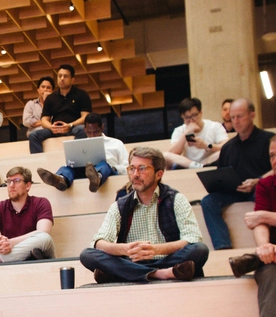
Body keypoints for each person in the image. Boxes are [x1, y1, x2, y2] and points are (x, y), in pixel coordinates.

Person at [80, 146, 209, 284]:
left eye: (142, 168)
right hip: (132, 261)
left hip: (167, 260)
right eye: (132, 168)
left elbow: (192, 238)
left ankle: (126, 274)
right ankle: (159, 274)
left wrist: (156, 249)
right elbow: (99, 242)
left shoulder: (176, 199)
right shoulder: (120, 205)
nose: (135, 174)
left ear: (158, 174)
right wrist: (125, 249)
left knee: (199, 250)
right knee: (87, 255)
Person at [200, 99, 275, 250]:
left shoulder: (268, 140)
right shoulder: (228, 147)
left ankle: (267, 243)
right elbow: (221, 173)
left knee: (264, 197)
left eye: (240, 116)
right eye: (232, 117)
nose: (236, 121)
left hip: (260, 188)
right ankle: (222, 246)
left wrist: (257, 181)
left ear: (252, 115)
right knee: (208, 201)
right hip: (234, 191)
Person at [228, 138, 276, 317]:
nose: (274, 161)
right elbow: (258, 224)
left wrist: (266, 216)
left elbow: (260, 217)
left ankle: (253, 259)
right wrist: (265, 246)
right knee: (269, 272)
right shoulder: (266, 185)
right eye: (272, 156)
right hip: (272, 255)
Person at [36, 112, 127, 192]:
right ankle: (60, 179)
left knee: (104, 165)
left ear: (102, 127)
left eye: (96, 132)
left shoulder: (116, 143)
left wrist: (113, 168)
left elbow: (127, 167)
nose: (92, 135)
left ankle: (97, 177)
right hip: (84, 173)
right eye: (89, 132)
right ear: (84, 129)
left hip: (107, 173)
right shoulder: (79, 145)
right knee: (67, 167)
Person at [0, 167, 56, 263]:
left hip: (35, 248)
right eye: (8, 181)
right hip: (12, 249)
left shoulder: (41, 202)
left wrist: (12, 242)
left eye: (16, 181)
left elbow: (43, 231)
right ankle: (23, 257)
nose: (11, 185)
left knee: (44, 238)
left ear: (28, 186)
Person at [29, 64, 91, 153]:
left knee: (83, 129)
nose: (62, 78)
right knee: (34, 135)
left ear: (72, 80)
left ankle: (76, 156)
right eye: (60, 76)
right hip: (55, 129)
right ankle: (40, 161)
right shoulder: (51, 98)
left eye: (65, 76)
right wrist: (51, 127)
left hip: (73, 127)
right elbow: (44, 120)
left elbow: (85, 117)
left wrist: (70, 125)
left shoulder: (81, 94)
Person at [164, 97, 228, 170]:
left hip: (208, 162)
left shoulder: (214, 126)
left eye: (194, 115)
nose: (191, 120)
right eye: (187, 117)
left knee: (223, 152)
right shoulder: (179, 130)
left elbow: (226, 147)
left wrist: (206, 145)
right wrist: (186, 132)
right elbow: (172, 153)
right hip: (188, 164)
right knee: (165, 155)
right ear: (182, 117)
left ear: (201, 113)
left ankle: (200, 166)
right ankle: (197, 166)